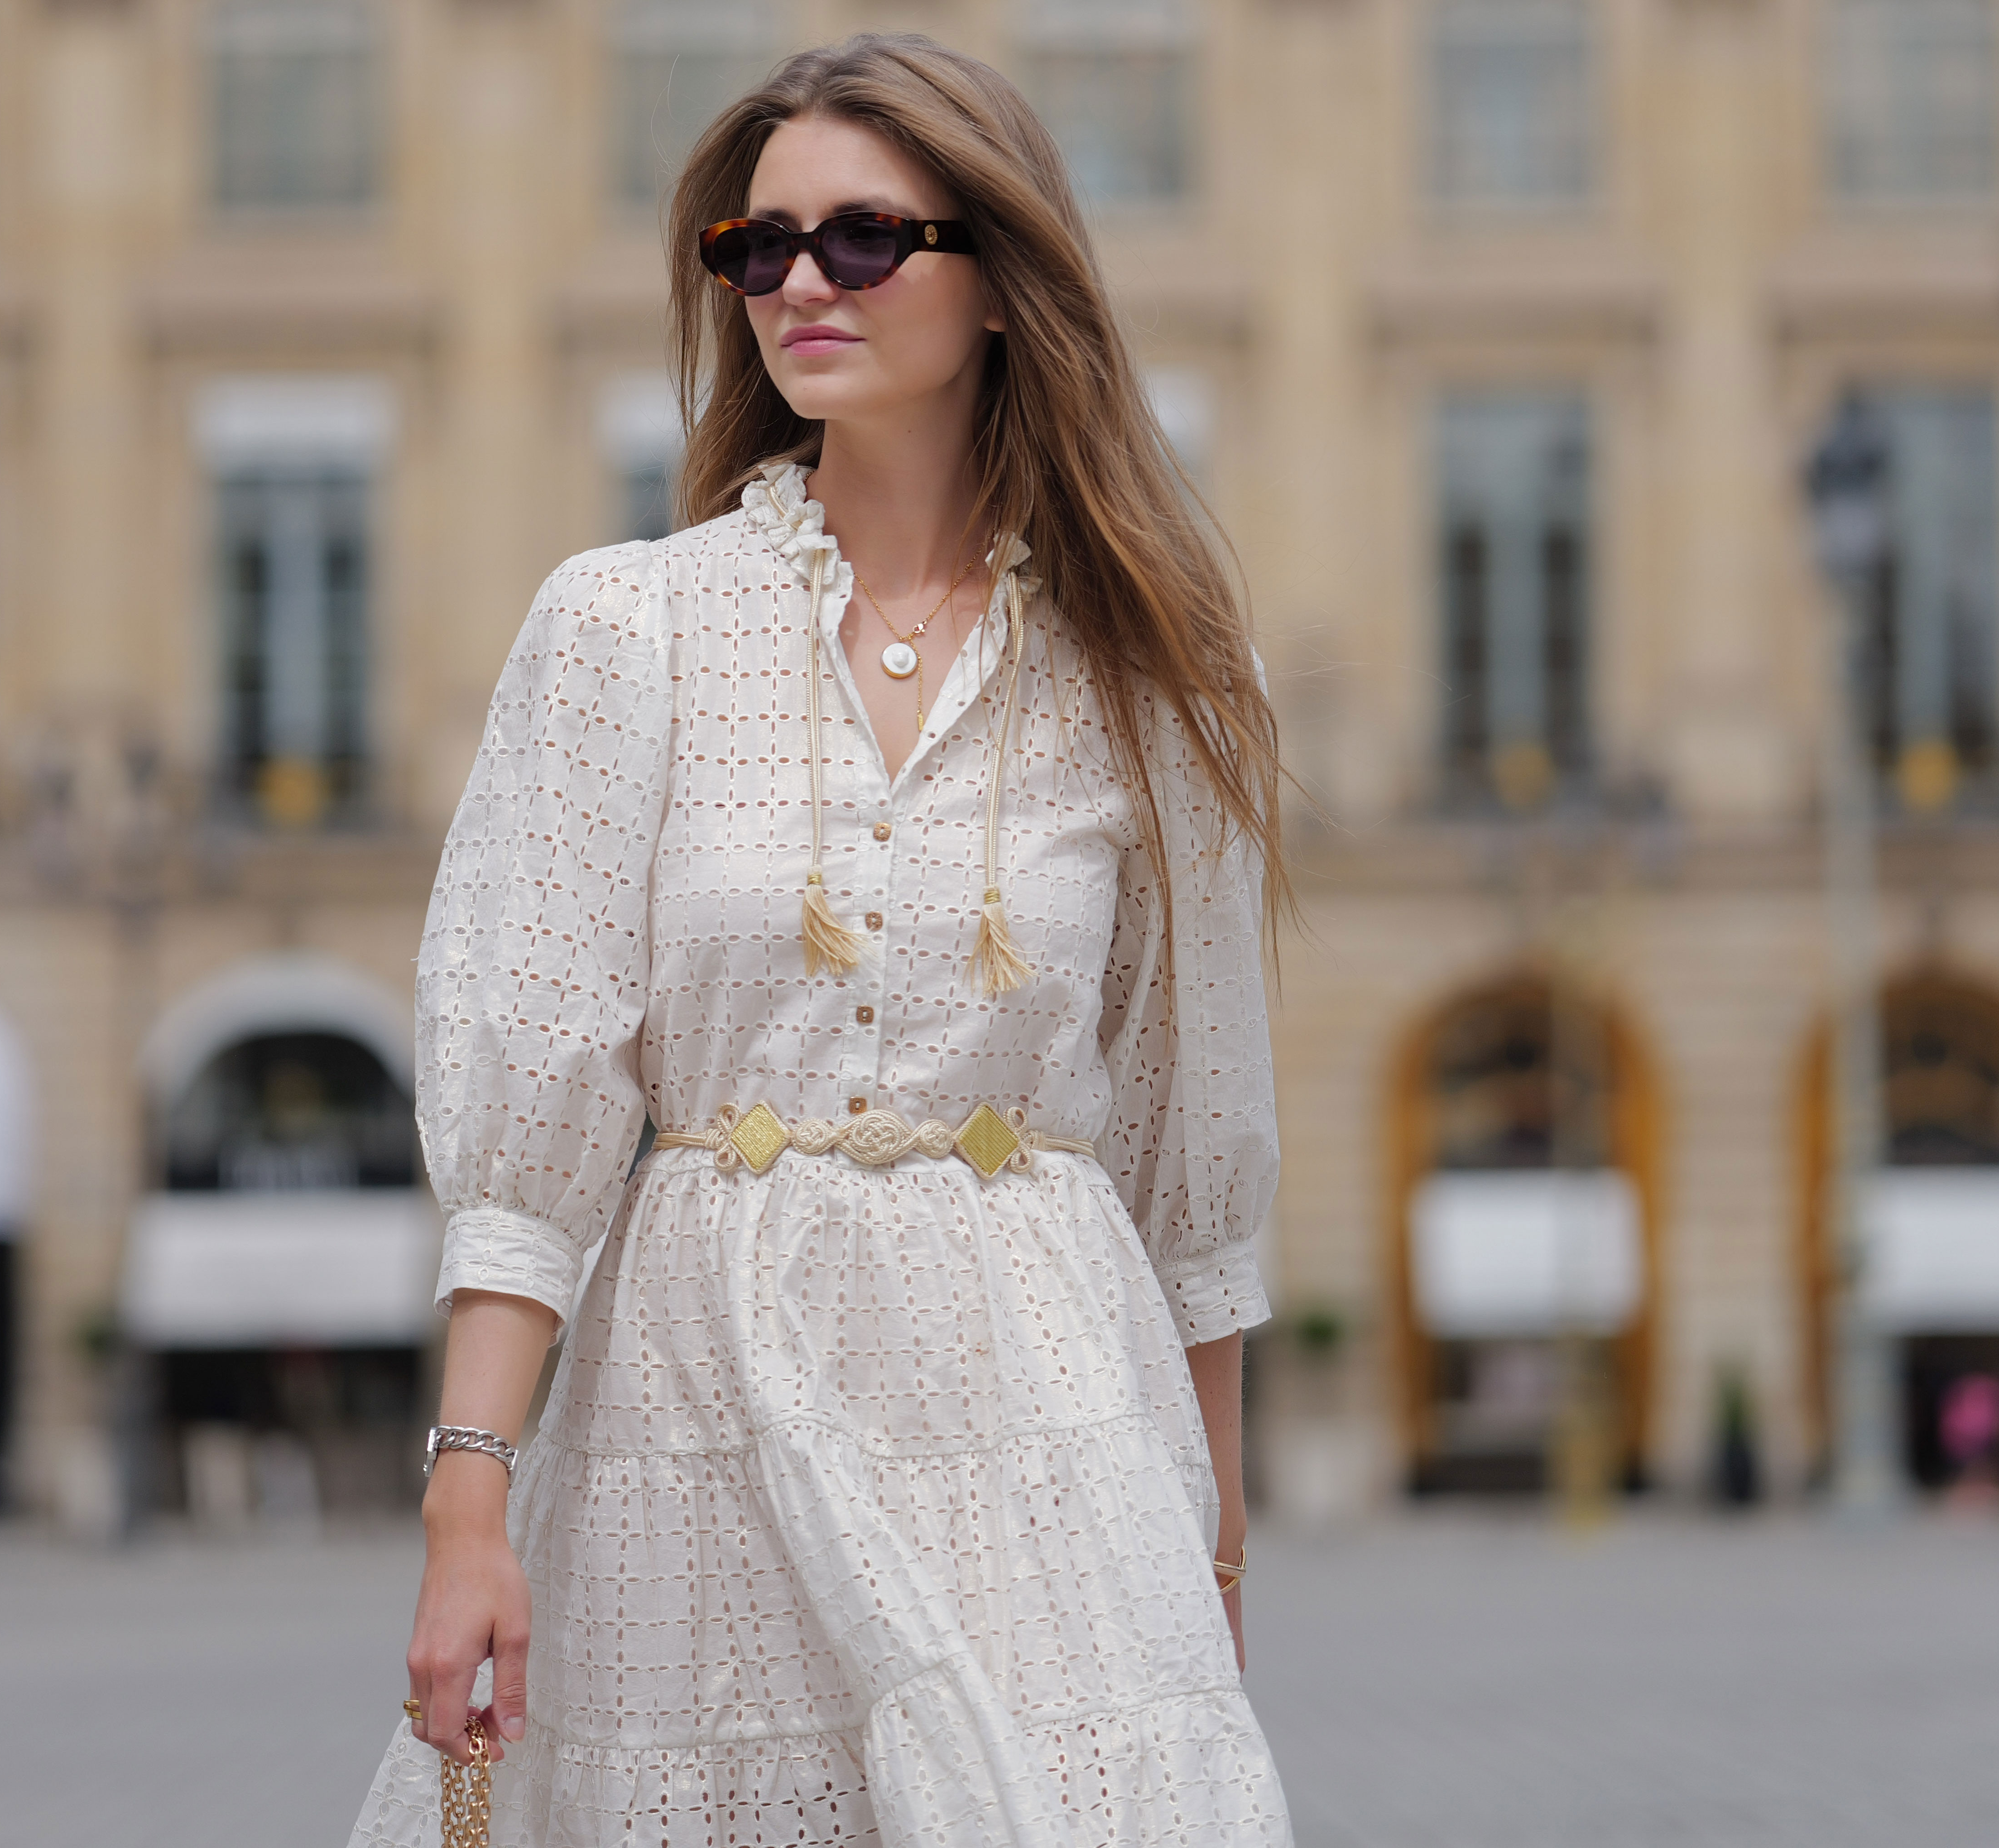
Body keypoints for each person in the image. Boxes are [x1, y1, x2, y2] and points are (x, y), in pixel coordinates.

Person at [352, 34, 1294, 1847]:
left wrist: (1214, 1546)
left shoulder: (1153, 673)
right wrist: (468, 1505)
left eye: (863, 240)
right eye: (755, 244)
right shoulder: (626, 629)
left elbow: (1191, 1172)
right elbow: (535, 1124)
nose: (796, 280)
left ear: (1000, 279)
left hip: (1046, 1419)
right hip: (699, 1400)